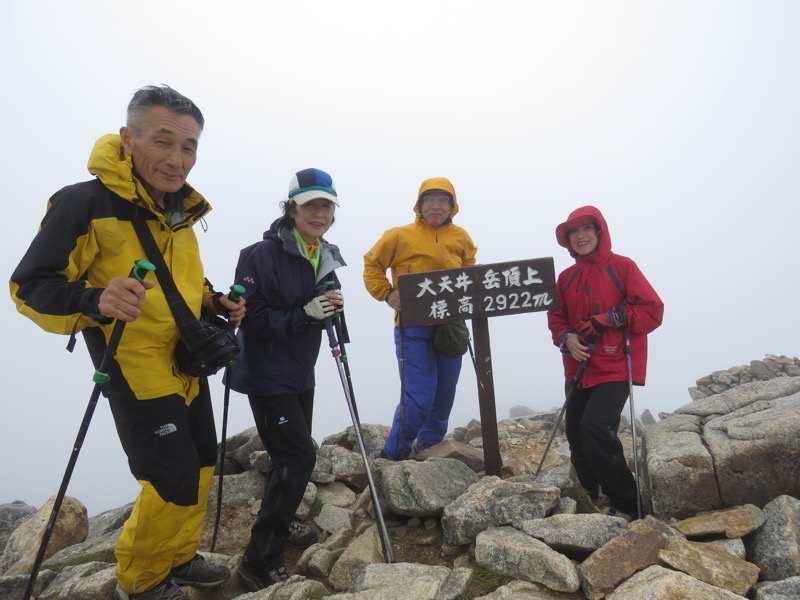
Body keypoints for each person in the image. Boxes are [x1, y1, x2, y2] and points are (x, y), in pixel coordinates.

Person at [10, 85, 245, 600]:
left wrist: (213, 302)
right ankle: (140, 582)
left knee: (204, 460)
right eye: (163, 141)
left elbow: (178, 282)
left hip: (186, 361)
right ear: (128, 138)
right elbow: (30, 286)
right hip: (132, 366)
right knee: (169, 476)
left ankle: (179, 556)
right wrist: (95, 300)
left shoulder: (178, 209)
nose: (177, 159)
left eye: (189, 147)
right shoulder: (83, 202)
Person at [227, 168, 345, 590]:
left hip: (300, 372)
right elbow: (249, 319)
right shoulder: (261, 255)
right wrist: (305, 314)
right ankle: (259, 558)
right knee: (298, 457)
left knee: (287, 458)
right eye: (311, 204)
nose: (319, 213)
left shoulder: (322, 252)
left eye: (326, 205)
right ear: (291, 207)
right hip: (266, 373)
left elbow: (318, 304)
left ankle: (283, 516)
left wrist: (331, 304)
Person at [547, 205, 663, 521]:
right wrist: (566, 337)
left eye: (587, 229)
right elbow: (556, 317)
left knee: (595, 430)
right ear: (568, 240)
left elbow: (653, 311)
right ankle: (587, 494)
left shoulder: (623, 267)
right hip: (578, 366)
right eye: (574, 232)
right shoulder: (566, 278)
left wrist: (611, 318)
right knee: (575, 434)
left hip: (614, 365)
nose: (580, 236)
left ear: (600, 232)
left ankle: (628, 503)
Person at [363, 177, 477, 460]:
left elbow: (470, 270)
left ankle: (429, 449)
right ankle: (393, 455)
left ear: (452, 206)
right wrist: (387, 294)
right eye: (429, 200)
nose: (436, 206)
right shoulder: (399, 235)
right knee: (418, 397)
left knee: (444, 395)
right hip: (412, 327)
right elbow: (372, 264)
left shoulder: (461, 238)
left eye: (442, 200)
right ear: (419, 205)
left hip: (451, 326)